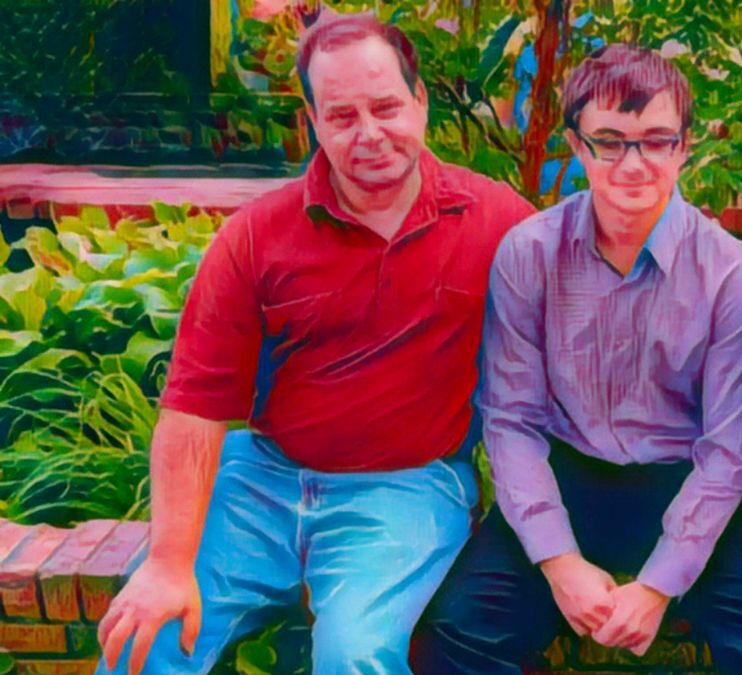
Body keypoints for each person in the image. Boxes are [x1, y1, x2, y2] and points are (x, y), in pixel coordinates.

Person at [95, 11, 535, 675]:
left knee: (355, 654)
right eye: (342, 116)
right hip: (261, 478)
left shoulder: (497, 220)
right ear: (312, 120)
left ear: (420, 101)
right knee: (146, 636)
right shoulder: (257, 236)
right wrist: (166, 561)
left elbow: (582, 305)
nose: (369, 134)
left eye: (386, 107)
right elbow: (194, 408)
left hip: (407, 488)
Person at [414, 44, 742, 675]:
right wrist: (560, 565)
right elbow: (512, 422)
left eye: (655, 140)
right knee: (450, 640)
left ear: (685, 146)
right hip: (566, 477)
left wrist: (658, 586)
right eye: (610, 141)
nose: (633, 163)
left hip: (684, 486)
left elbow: (726, 457)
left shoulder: (729, 274)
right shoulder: (529, 254)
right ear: (578, 146)